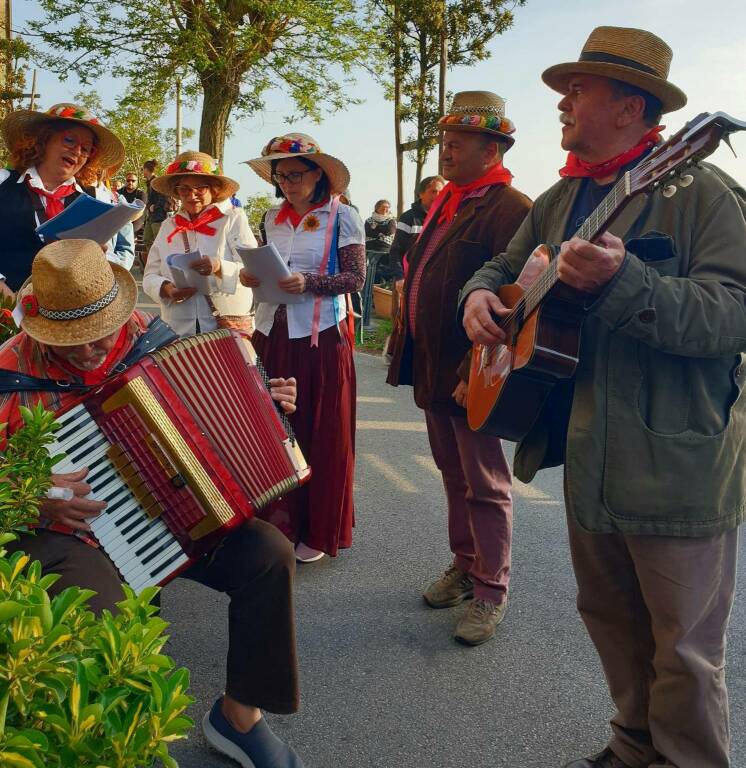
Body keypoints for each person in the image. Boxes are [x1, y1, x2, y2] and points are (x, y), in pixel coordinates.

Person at [460, 27, 746, 768]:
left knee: (684, 650)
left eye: (577, 88)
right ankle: (634, 746)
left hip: (679, 462)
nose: (561, 100)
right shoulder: (561, 198)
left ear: (629, 106)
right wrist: (479, 298)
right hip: (591, 454)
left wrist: (626, 283)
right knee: (611, 619)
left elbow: (732, 314)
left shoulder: (705, 193)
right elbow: (499, 265)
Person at [0, 239, 305, 768]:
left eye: (99, 336)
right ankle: (122, 747)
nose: (92, 351)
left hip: (172, 511)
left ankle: (239, 716)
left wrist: (261, 399)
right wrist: (36, 496)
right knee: (105, 611)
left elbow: (213, 413)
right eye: (73, 342)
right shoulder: (8, 373)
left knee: (268, 554)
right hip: (70, 529)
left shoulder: (150, 339)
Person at [386, 91, 531, 646]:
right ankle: (466, 567)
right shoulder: (450, 201)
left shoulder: (510, 206)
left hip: (472, 371)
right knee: (453, 475)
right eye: (444, 141)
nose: (445, 151)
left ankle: (491, 590)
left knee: (485, 484)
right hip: (432, 366)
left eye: (457, 142)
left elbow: (515, 294)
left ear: (492, 148)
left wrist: (479, 366)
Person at [242, 133, 365, 563]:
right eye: (281, 175)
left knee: (320, 427)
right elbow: (268, 268)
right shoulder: (269, 217)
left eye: (296, 174)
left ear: (318, 174)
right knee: (273, 429)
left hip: (320, 338)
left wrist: (310, 282)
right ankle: (278, 520)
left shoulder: (342, 216)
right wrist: (251, 278)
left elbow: (354, 280)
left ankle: (318, 526)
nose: (288, 183)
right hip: (271, 331)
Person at [0, 102, 125, 294]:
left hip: (68, 317)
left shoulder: (96, 198)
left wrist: (99, 259)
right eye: (69, 140)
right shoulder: (3, 183)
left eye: (86, 149)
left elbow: (111, 261)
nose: (77, 151)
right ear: (43, 139)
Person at [143, 150, 255, 336]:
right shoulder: (168, 226)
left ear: (214, 189)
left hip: (225, 324)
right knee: (183, 366)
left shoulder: (233, 218)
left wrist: (219, 266)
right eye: (184, 188)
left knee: (227, 366)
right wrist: (166, 288)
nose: (191, 195)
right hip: (178, 326)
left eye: (200, 188)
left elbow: (253, 269)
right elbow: (149, 276)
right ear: (176, 192)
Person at [387, 175, 445, 281]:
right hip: (412, 278)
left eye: (441, 193)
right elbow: (397, 250)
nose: (437, 196)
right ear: (421, 194)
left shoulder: (447, 218)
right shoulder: (408, 218)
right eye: (433, 191)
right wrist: (400, 278)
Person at [141, 159, 172, 253]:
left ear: (146, 169)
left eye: (142, 169)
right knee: (147, 239)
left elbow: (165, 197)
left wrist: (155, 206)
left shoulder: (156, 181)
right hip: (151, 217)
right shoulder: (150, 182)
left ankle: (160, 264)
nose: (142, 172)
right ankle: (152, 263)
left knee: (159, 242)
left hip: (158, 217)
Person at [364, 199, 397, 283]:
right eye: (383, 207)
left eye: (387, 208)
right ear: (377, 208)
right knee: (368, 268)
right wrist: (381, 232)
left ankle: (380, 285)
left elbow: (389, 231)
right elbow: (367, 231)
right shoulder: (369, 220)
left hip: (384, 249)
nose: (385, 209)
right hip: (370, 248)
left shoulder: (391, 220)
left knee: (381, 269)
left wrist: (375, 228)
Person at [118, 172, 145, 238]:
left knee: (130, 234)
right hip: (120, 220)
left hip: (136, 219)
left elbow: (141, 211)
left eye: (133, 181)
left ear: (137, 182)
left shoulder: (141, 194)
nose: (130, 182)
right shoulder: (118, 193)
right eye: (128, 180)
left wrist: (128, 221)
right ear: (125, 181)